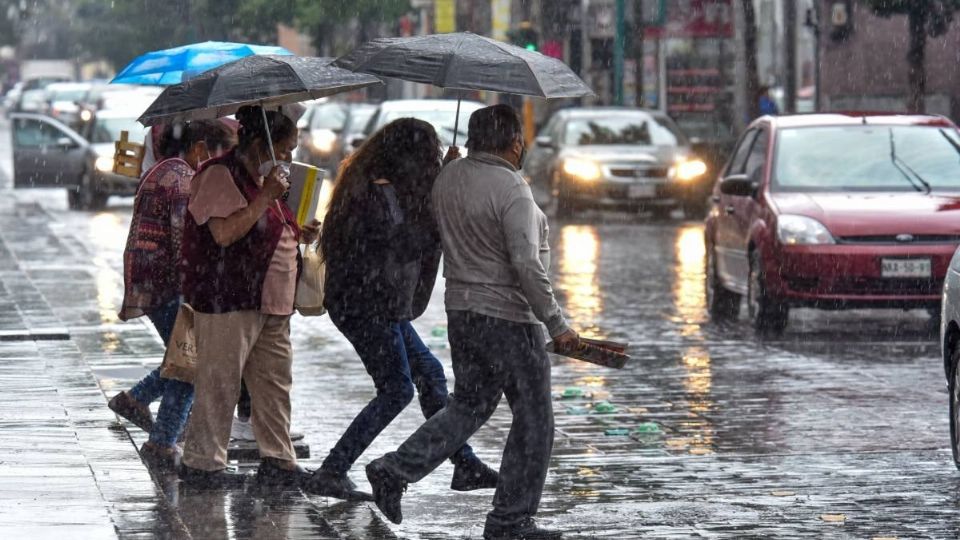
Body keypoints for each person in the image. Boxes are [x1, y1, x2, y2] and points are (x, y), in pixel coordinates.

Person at [364, 105, 579, 540]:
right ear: (515, 142)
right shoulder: (512, 189)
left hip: (462, 313)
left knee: (469, 405)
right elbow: (526, 263)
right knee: (535, 419)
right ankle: (510, 519)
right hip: (509, 318)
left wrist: (449, 169)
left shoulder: (449, 178)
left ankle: (394, 469)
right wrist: (555, 322)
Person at [303, 118, 498, 500]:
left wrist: (442, 179)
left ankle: (464, 463)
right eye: (430, 156)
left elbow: (409, 234)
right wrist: (437, 196)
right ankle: (333, 469)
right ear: (409, 157)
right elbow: (404, 244)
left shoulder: (384, 187)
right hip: (364, 306)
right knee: (396, 390)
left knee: (429, 373)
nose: (433, 161)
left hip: (375, 304)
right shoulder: (375, 194)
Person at [178, 105, 320, 489]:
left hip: (273, 301)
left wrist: (296, 231)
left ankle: (278, 459)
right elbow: (224, 233)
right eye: (285, 148)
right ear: (262, 143)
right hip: (230, 296)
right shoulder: (220, 175)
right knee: (220, 382)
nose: (289, 156)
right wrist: (268, 196)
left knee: (274, 385)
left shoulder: (264, 179)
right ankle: (202, 463)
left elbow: (266, 226)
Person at [110, 119, 236, 469]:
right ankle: (162, 440)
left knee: (184, 356)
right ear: (199, 148)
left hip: (154, 280)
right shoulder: (182, 179)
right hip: (168, 284)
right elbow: (186, 242)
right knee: (190, 362)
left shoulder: (164, 169)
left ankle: (136, 400)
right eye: (218, 155)